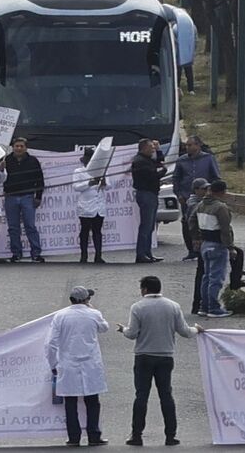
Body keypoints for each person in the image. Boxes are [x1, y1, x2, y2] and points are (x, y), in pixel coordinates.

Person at [117, 276, 203, 446]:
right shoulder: (173, 306)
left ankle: (136, 434)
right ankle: (171, 435)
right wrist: (197, 329)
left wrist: (123, 330)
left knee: (141, 396)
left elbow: (132, 333)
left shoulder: (138, 307)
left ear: (145, 289)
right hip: (165, 356)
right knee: (166, 395)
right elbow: (184, 331)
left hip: (144, 356)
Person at [47, 287, 110, 447]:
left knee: (70, 402)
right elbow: (105, 328)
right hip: (90, 364)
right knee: (92, 401)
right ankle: (94, 435)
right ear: (86, 300)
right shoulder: (94, 314)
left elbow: (51, 343)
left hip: (68, 363)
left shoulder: (60, 316)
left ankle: (73, 438)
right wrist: (92, 309)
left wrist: (53, 364)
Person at [190, 179, 235, 318]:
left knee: (206, 277)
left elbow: (191, 220)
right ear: (222, 192)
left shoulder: (201, 205)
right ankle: (214, 308)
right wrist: (230, 247)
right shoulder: (220, 207)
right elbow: (225, 230)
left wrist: (196, 238)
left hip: (205, 244)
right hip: (218, 245)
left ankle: (204, 306)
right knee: (216, 278)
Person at [173, 136, 221, 260]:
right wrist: (178, 194)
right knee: (187, 222)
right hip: (186, 197)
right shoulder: (181, 160)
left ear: (198, 145)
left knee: (204, 222)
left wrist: (213, 193)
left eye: (190, 145)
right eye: (186, 145)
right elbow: (176, 179)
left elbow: (216, 177)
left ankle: (204, 248)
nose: (187, 147)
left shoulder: (208, 158)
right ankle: (191, 250)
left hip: (205, 197)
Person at [0, 137, 46, 262]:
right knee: (13, 227)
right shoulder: (6, 160)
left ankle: (36, 253)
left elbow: (40, 180)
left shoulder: (33, 161)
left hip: (27, 197)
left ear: (26, 148)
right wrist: (1, 168)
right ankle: (16, 254)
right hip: (11, 197)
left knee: (30, 226)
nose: (19, 148)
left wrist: (38, 197)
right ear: (13, 147)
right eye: (17, 146)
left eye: (21, 146)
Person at [130, 139, 167, 263]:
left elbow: (159, 162)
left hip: (151, 193)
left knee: (150, 226)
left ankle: (148, 253)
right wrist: (164, 171)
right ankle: (141, 254)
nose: (153, 150)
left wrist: (159, 149)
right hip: (146, 194)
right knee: (146, 226)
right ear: (144, 148)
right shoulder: (140, 161)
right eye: (151, 147)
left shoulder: (147, 160)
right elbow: (153, 175)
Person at [74, 149, 109, 264]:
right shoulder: (79, 171)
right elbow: (76, 187)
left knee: (97, 231)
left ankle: (98, 256)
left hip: (98, 205)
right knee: (84, 231)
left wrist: (104, 183)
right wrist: (89, 183)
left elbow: (109, 186)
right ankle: (84, 256)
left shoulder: (102, 171)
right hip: (85, 206)